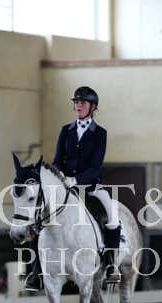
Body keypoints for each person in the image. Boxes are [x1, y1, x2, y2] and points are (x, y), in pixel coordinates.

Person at [25, 86, 121, 291]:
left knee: (112, 216)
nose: (78, 105)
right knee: (39, 218)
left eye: (83, 102)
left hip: (90, 186)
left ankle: (112, 265)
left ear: (93, 107)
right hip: (65, 187)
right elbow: (58, 160)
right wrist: (59, 178)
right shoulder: (66, 130)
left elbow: (95, 167)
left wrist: (75, 180)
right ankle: (35, 271)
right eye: (76, 102)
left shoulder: (100, 133)